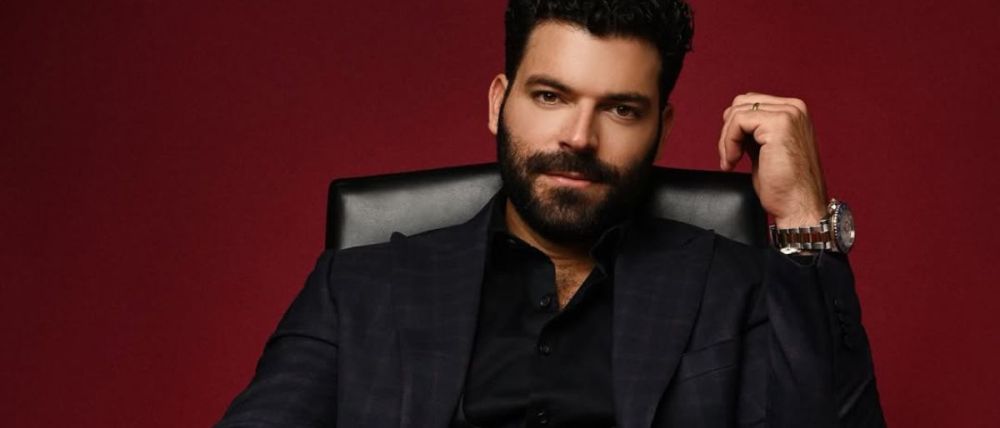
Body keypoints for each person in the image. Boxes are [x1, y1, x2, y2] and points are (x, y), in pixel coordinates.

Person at [217, 1, 884, 427]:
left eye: (620, 109)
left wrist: (802, 216)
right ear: (498, 103)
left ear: (662, 128)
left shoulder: (735, 288)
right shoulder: (358, 290)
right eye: (549, 96)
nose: (578, 137)